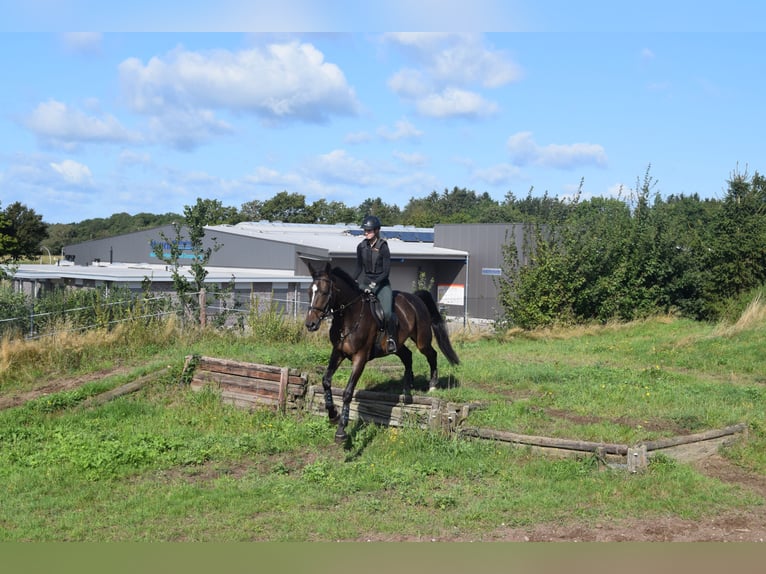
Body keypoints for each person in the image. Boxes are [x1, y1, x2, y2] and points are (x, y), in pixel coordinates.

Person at [354, 215, 397, 353]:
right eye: (365, 230)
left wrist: (374, 284)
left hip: (382, 283)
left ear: (377, 230)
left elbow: (386, 272)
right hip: (366, 282)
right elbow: (359, 268)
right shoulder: (361, 246)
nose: (366, 232)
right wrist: (352, 280)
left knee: (388, 313)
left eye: (369, 230)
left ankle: (390, 339)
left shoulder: (383, 246)